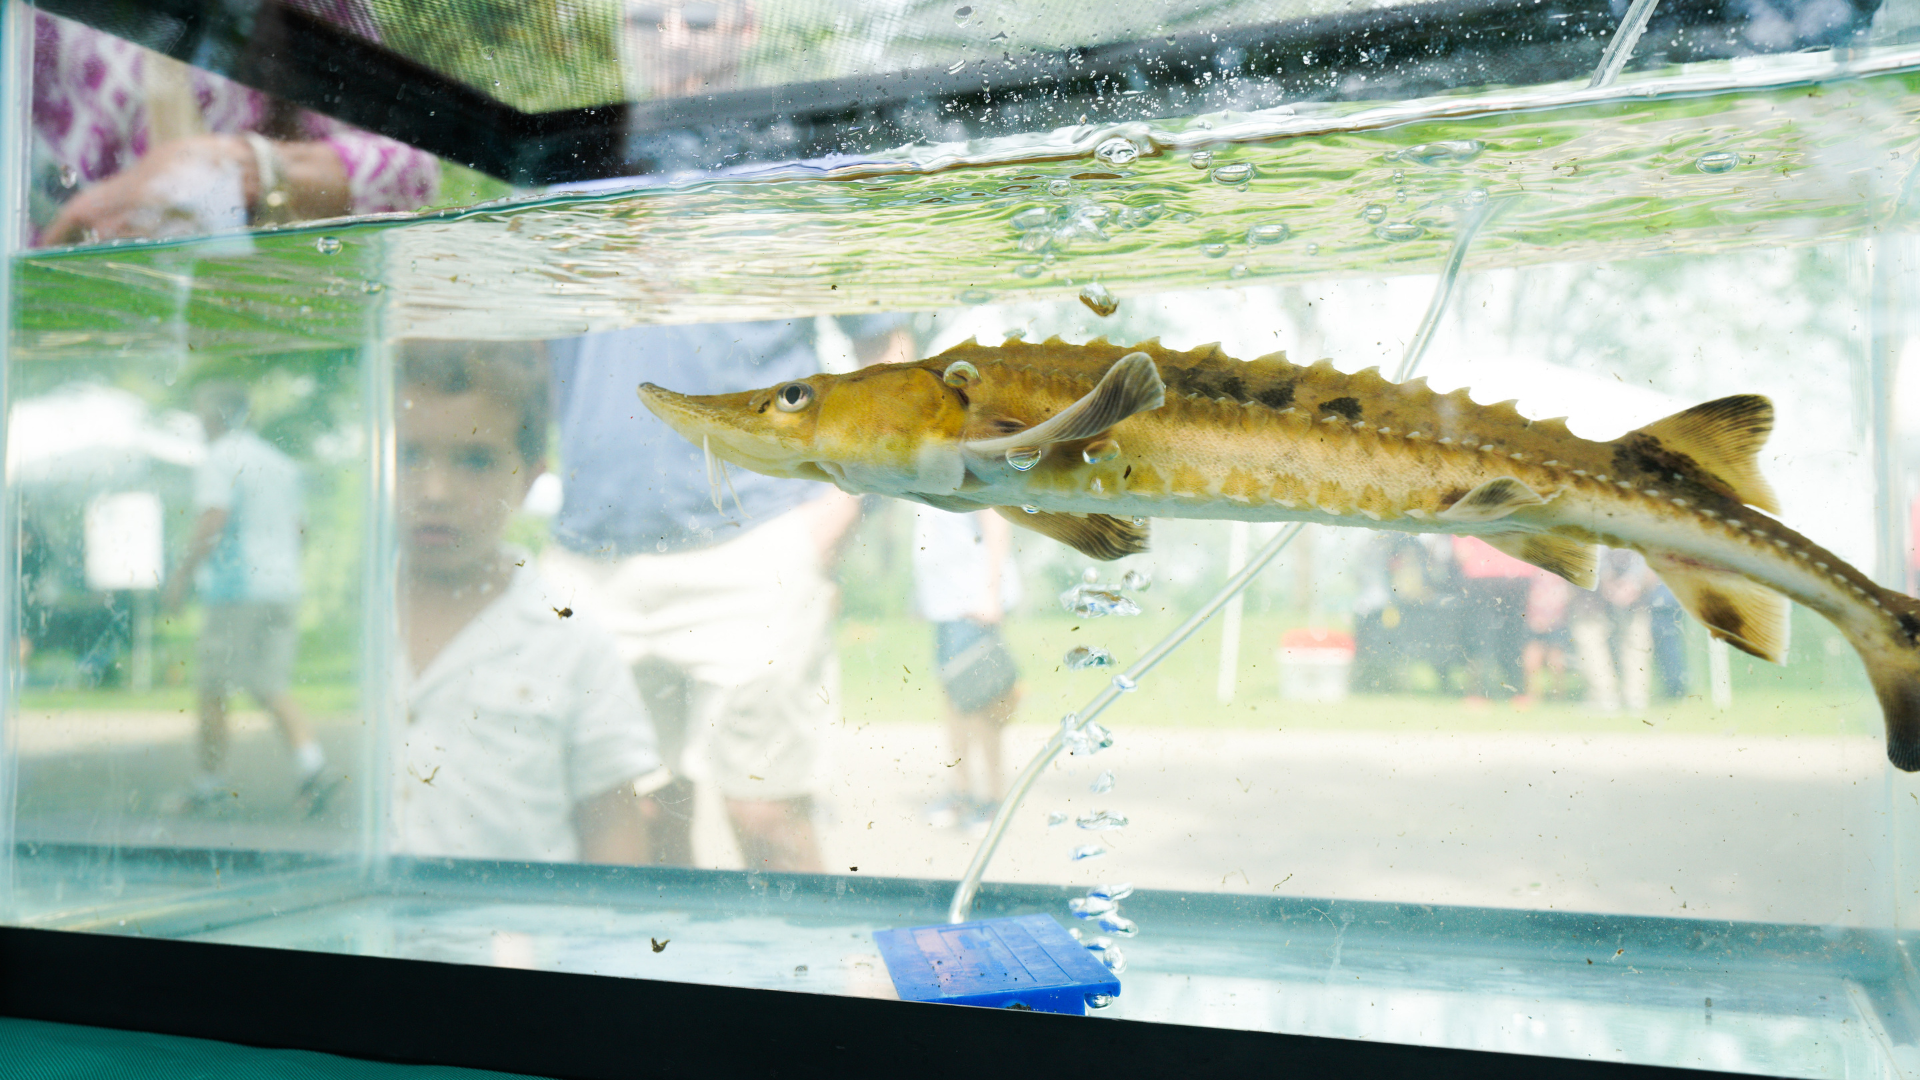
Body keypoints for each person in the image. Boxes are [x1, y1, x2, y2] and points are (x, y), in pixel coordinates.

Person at [540, 319, 875, 873]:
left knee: (767, 815)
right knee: (638, 820)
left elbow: (884, 337)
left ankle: (805, 962)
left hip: (758, 533)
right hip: (590, 553)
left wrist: (848, 496)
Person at [392, 340, 669, 863]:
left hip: (520, 939)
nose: (435, 490)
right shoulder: (362, 618)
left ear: (530, 477)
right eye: (409, 455)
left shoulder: (572, 640)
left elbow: (613, 829)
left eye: (475, 460)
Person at [31, 7, 437, 245]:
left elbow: (415, 167)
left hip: (212, 303)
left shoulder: (315, 8)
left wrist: (243, 169)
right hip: (35, 291)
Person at [163, 381, 327, 814]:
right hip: (282, 587)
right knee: (270, 685)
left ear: (214, 417)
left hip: (238, 591)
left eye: (199, 415)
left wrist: (181, 576)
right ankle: (313, 766)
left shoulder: (219, 458)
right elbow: (301, 530)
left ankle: (209, 784)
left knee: (212, 687)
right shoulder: (280, 464)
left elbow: (213, 516)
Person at [912, 506, 1022, 830]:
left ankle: (994, 800)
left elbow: (996, 521)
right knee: (954, 701)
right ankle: (961, 793)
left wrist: (991, 593)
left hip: (973, 601)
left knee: (984, 701)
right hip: (945, 603)